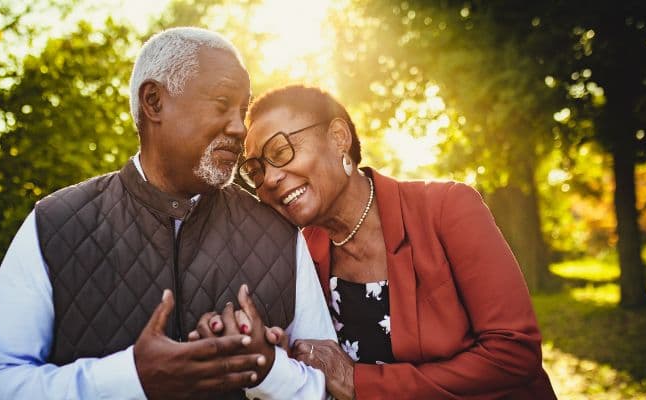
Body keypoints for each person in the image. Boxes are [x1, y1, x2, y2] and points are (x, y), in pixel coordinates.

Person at [0, 29, 334, 399]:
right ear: (154, 101)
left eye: (242, 111)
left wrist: (267, 370)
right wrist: (131, 378)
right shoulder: (55, 223)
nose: (239, 127)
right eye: (222, 104)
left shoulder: (279, 235)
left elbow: (330, 388)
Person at [238, 85, 557, 399]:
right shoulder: (299, 256)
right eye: (255, 171)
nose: (269, 179)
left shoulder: (448, 208)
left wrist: (360, 382)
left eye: (280, 152)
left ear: (338, 138)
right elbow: (315, 373)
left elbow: (513, 352)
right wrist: (281, 359)